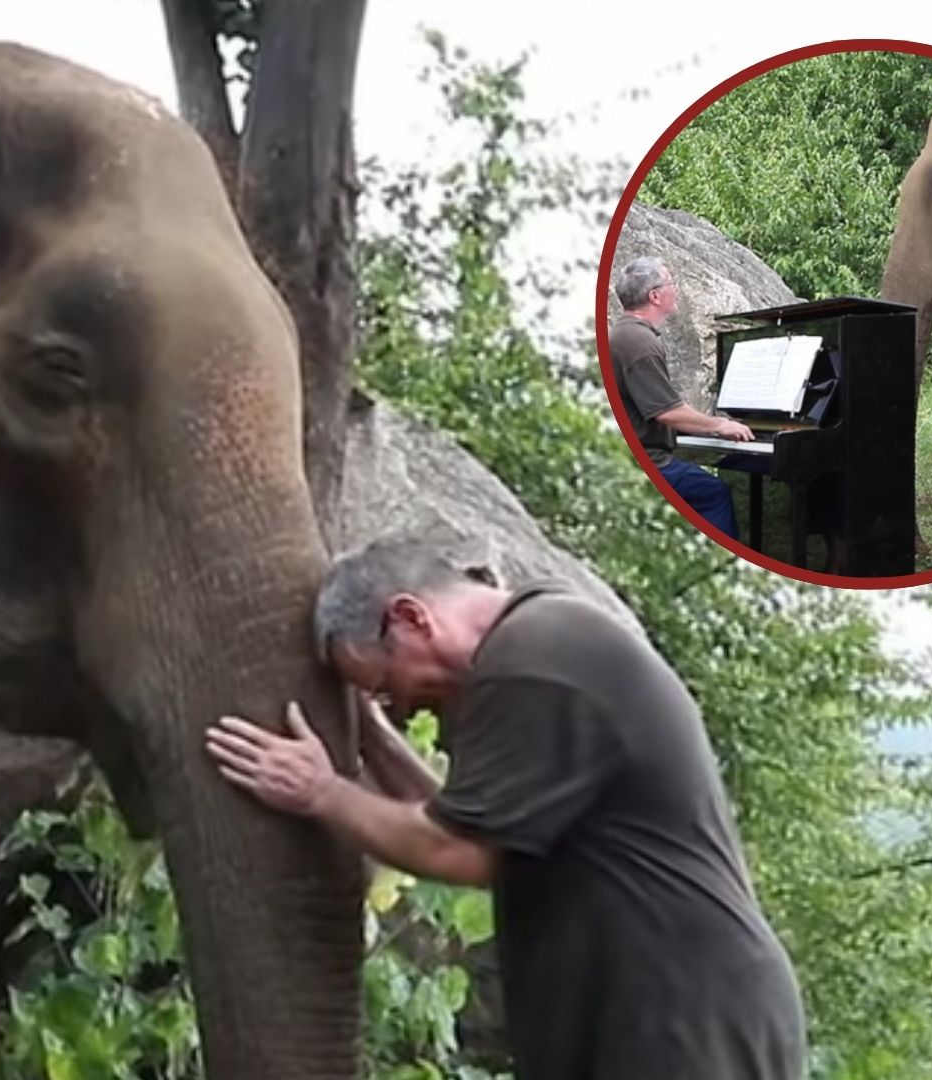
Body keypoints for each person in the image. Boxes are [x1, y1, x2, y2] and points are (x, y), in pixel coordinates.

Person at [204, 537, 806, 1080]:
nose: (401, 709)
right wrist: (372, 740)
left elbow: (459, 849)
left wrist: (320, 792)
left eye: (387, 687)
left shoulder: (536, 660)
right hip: (655, 1013)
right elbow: (463, 819)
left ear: (411, 618)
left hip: (682, 1018)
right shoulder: (540, 641)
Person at [609, 255, 755, 540]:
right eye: (671, 283)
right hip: (649, 462)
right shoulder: (639, 341)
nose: (675, 289)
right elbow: (667, 413)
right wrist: (720, 426)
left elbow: (666, 406)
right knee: (714, 493)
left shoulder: (628, 333)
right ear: (655, 295)